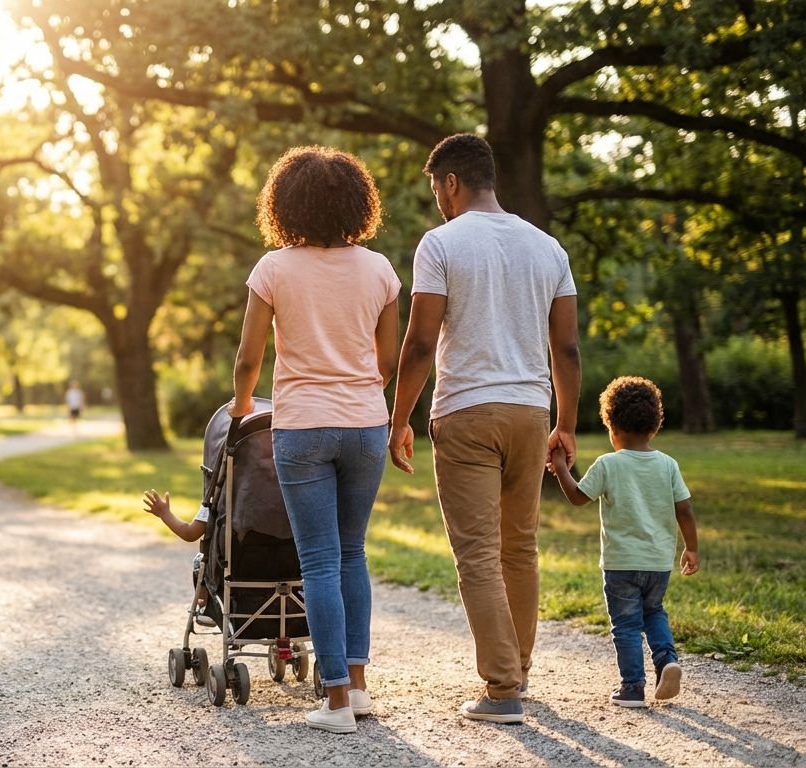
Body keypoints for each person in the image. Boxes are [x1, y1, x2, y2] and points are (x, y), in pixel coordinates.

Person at [387, 133, 582, 725]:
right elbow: (567, 349)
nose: (438, 203)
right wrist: (567, 424)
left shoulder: (440, 244)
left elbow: (421, 342)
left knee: (477, 554)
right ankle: (516, 670)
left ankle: (503, 692)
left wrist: (399, 418)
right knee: (519, 547)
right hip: (531, 412)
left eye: (437, 191)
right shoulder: (548, 247)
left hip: (467, 412)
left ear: (451, 182)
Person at [230, 146, 401, 733]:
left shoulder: (274, 269)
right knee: (352, 553)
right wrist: (360, 393)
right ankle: (357, 689)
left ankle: (332, 705)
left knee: (320, 561)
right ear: (358, 203)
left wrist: (244, 405)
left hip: (302, 424)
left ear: (286, 204)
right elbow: (386, 359)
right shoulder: (379, 270)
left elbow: (250, 356)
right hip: (366, 424)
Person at [547, 376, 699, 708]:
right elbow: (684, 509)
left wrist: (560, 466)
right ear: (654, 426)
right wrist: (691, 547)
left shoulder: (608, 464)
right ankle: (666, 661)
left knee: (626, 624)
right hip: (658, 562)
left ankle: (632, 688)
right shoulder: (668, 465)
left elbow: (577, 497)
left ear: (611, 425)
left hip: (620, 564)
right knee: (654, 611)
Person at [141, 489, 216, 628]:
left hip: (227, 568)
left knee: (201, 562)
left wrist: (165, 514)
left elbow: (189, 533)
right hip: (267, 569)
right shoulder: (269, 498)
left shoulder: (217, 498)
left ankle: (207, 606)